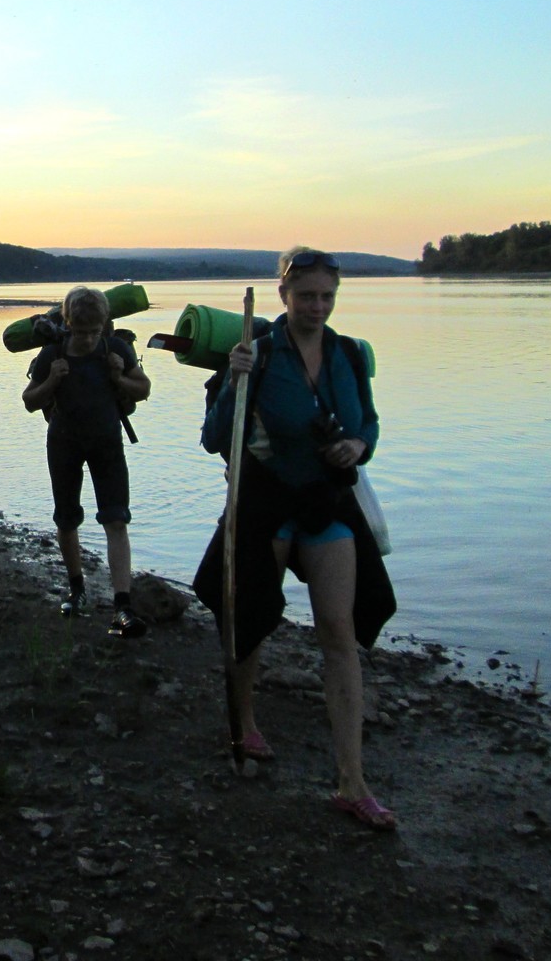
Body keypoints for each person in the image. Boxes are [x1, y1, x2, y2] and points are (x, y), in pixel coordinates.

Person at [202, 247, 398, 830]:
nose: (317, 306)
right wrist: (234, 384)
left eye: (326, 296)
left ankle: (352, 781)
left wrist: (358, 447)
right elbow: (215, 439)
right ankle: (244, 725)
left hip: (325, 501)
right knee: (253, 617)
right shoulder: (255, 355)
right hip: (265, 502)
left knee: (339, 633)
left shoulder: (347, 353)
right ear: (283, 295)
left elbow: (368, 422)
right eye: (307, 295)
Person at [22, 286, 153, 637]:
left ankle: (122, 606)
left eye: (95, 331)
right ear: (68, 324)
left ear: (104, 324)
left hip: (107, 444)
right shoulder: (52, 354)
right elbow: (29, 401)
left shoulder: (117, 349)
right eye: (81, 332)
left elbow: (144, 388)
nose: (88, 338)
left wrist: (118, 376)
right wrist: (52, 379)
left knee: (116, 519)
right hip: (63, 444)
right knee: (66, 520)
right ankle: (77, 590)